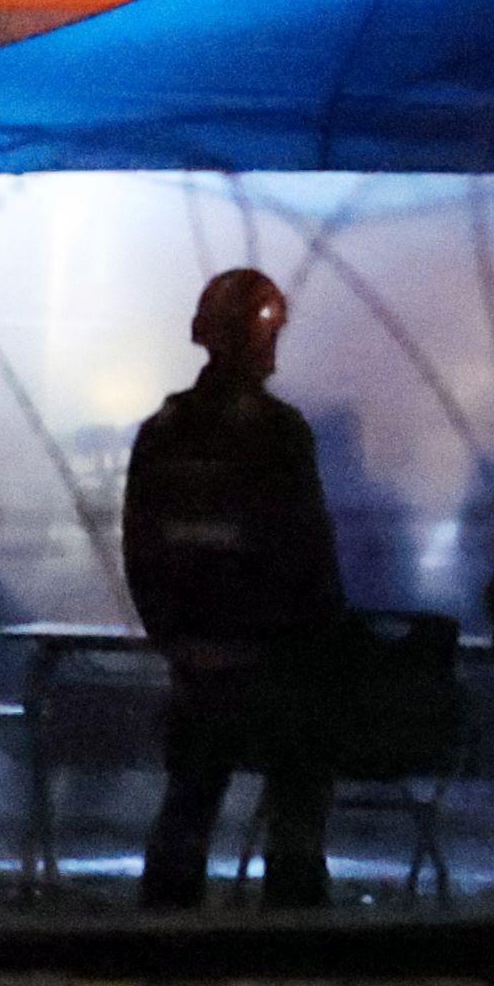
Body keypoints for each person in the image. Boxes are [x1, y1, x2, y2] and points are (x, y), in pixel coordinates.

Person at [119, 267, 343, 909]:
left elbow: (143, 551)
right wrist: (321, 644)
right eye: (265, 331)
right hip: (277, 667)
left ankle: (165, 950)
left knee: (190, 798)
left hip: (200, 666)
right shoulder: (279, 434)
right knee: (297, 794)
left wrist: (176, 644)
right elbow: (309, 551)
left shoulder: (164, 433)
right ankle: (293, 940)